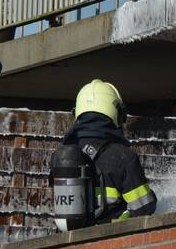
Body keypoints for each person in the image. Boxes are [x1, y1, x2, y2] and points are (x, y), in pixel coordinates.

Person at [54, 80, 157, 225]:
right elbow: (145, 208)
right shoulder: (123, 158)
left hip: (71, 244)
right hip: (112, 242)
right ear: (115, 112)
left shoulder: (61, 156)